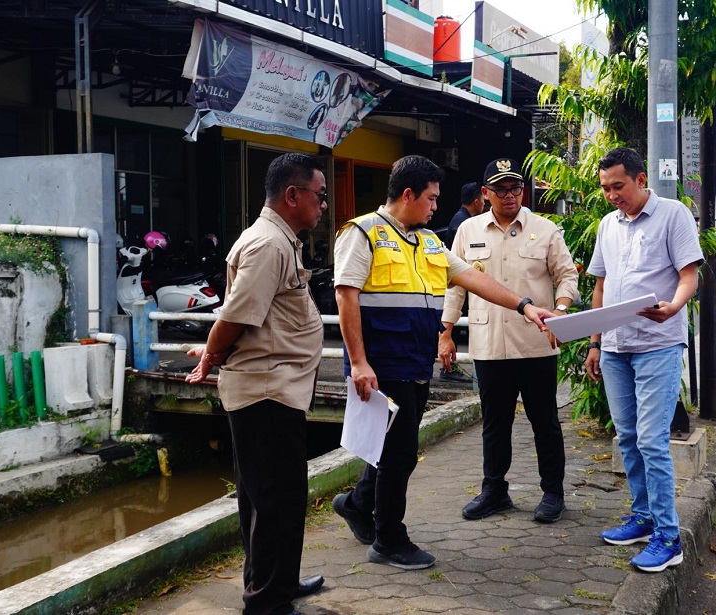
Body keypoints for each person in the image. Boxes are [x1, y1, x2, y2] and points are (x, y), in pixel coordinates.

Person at [331, 154, 556, 570]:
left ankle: (357, 505)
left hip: (416, 363)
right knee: (399, 454)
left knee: (390, 448)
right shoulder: (363, 233)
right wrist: (359, 362)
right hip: (381, 366)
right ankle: (389, 540)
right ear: (408, 194)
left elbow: (474, 279)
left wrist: (525, 305)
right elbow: (345, 296)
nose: (437, 206)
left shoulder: (427, 241)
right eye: (432, 198)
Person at [185, 153, 328, 615]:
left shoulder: (279, 240)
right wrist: (211, 354)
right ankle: (268, 602)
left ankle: (277, 582)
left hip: (274, 389)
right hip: (266, 393)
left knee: (268, 499)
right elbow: (235, 317)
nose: (324, 204)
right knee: (275, 501)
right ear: (293, 195)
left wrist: (214, 352)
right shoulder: (269, 244)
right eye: (320, 195)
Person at [439, 158, 579, 524]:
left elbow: (567, 275)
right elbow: (455, 285)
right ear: (485, 193)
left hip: (536, 343)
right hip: (489, 343)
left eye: (515, 188)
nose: (509, 195)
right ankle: (494, 491)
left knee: (544, 421)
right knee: (494, 422)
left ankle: (553, 492)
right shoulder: (468, 230)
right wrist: (446, 332)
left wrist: (561, 309)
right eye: (500, 189)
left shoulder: (545, 229)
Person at [583, 147, 703, 573]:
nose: (612, 195)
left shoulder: (673, 215)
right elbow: (601, 286)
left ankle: (669, 538)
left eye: (618, 186)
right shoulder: (607, 225)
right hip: (615, 347)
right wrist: (595, 342)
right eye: (605, 188)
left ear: (639, 179)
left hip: (658, 344)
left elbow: (690, 275)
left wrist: (674, 306)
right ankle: (643, 517)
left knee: (652, 441)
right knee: (629, 437)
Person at [439, 182, 485, 383]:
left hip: (462, 280)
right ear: (476, 201)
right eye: (482, 199)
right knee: (454, 327)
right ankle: (449, 368)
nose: (484, 203)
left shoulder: (463, 219)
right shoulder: (464, 225)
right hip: (458, 282)